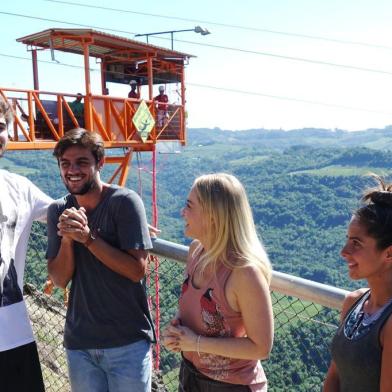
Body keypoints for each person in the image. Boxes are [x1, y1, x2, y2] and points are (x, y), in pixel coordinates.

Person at [46, 128, 155, 392]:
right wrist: (69, 240)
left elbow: (136, 271)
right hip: (80, 344)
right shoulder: (58, 210)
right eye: (65, 164)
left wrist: (88, 239)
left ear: (100, 163)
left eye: (82, 162)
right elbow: (59, 280)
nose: (72, 170)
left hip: (126, 343)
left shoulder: (125, 202)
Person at [162, 173, 274, 391]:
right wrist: (177, 331)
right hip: (191, 376)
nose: (182, 212)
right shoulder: (196, 251)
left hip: (231, 386)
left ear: (213, 216)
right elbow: (193, 310)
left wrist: (194, 343)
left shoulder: (243, 273)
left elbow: (261, 347)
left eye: (189, 206)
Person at [0, 97, 52, 391]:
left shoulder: (20, 188)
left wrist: (118, 211)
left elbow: (65, 209)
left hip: (13, 334)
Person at [323, 175, 392, 392]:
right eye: (347, 240)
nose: (344, 251)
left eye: (356, 243)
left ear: (389, 253)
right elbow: (334, 377)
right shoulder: (353, 303)